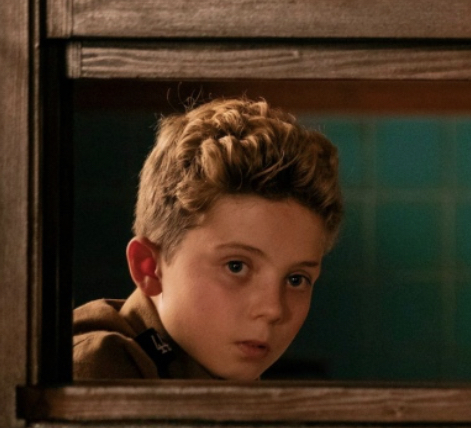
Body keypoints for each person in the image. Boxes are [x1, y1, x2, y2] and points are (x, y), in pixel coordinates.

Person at [73, 97, 343, 380]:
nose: (273, 309)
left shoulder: (206, 371)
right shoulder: (98, 369)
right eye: (236, 266)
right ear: (149, 267)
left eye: (296, 279)